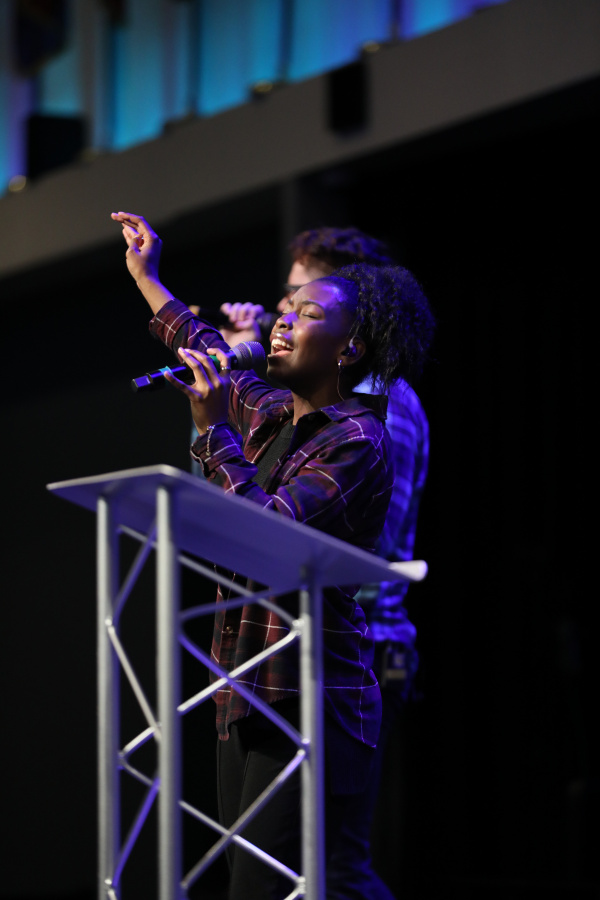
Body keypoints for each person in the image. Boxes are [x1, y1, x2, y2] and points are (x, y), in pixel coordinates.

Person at [110, 211, 435, 900]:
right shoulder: (272, 412)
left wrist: (211, 435)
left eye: (306, 313)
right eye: (283, 310)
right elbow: (200, 340)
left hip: (310, 692)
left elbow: (269, 536)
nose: (281, 322)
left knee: (276, 886)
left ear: (349, 349)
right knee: (257, 882)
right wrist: (148, 276)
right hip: (245, 683)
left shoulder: (357, 440)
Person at [218, 226, 429, 900]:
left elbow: (354, 544)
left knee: (337, 868)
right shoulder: (312, 405)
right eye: (287, 300)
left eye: (303, 298)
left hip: (347, 650)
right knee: (299, 872)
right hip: (293, 645)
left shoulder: (377, 413)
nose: (282, 311)